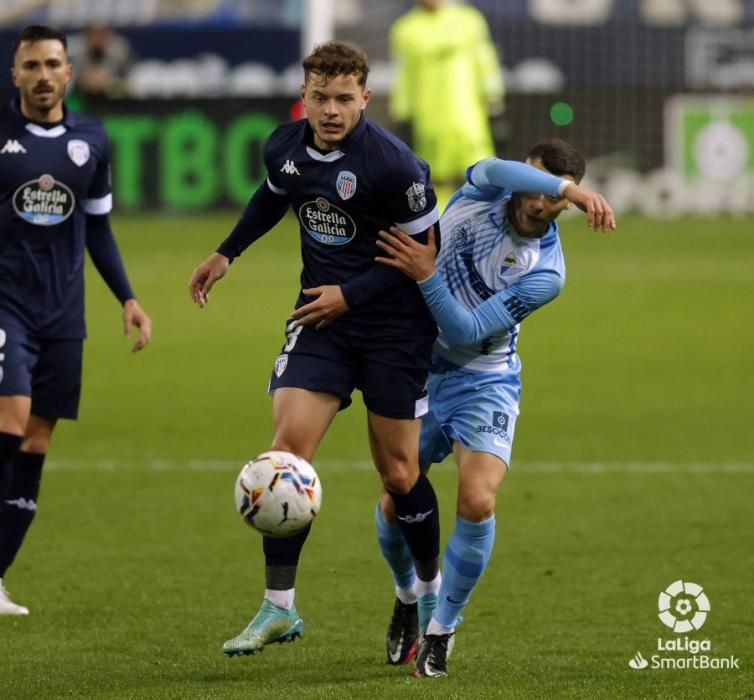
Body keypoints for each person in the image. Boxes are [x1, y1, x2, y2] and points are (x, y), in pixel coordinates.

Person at [188, 40, 444, 657]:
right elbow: (275, 194)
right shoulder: (284, 144)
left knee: (401, 473)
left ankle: (428, 594)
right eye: (320, 98)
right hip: (321, 320)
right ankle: (280, 608)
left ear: (365, 97)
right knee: (283, 458)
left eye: (344, 99)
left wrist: (350, 296)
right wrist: (228, 252)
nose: (331, 110)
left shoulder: (394, 165)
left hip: (393, 329)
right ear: (304, 96)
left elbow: (424, 257)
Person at [374, 139, 616, 676]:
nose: (534, 201)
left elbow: (466, 330)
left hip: (483, 379)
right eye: (534, 186)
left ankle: (443, 629)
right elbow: (488, 165)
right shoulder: (487, 185)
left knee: (478, 501)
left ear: (563, 212)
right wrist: (568, 189)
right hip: (416, 366)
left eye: (550, 199)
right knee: (396, 499)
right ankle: (407, 596)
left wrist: (425, 275)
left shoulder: (547, 272)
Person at [0, 25, 152, 616]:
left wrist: (128, 298)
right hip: (7, 305)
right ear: (15, 75)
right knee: (9, 428)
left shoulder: (93, 138)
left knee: (36, 440)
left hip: (63, 315)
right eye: (31, 64)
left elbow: (99, 227)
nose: (42, 74)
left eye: (52, 64)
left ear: (69, 72)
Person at [389, 0, 504, 206]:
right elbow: (404, 75)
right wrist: (402, 112)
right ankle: (440, 228)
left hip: (469, 114)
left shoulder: (469, 19)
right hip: (429, 118)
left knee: (482, 173)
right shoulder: (405, 29)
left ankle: (488, 223)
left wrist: (494, 99)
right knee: (435, 178)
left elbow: (485, 61)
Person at [67, 24, 133, 99]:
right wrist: (83, 79)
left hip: (112, 99)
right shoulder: (73, 50)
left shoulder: (120, 50)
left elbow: (129, 79)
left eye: (102, 33)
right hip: (78, 97)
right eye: (94, 33)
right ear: (86, 34)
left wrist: (108, 81)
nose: (98, 37)